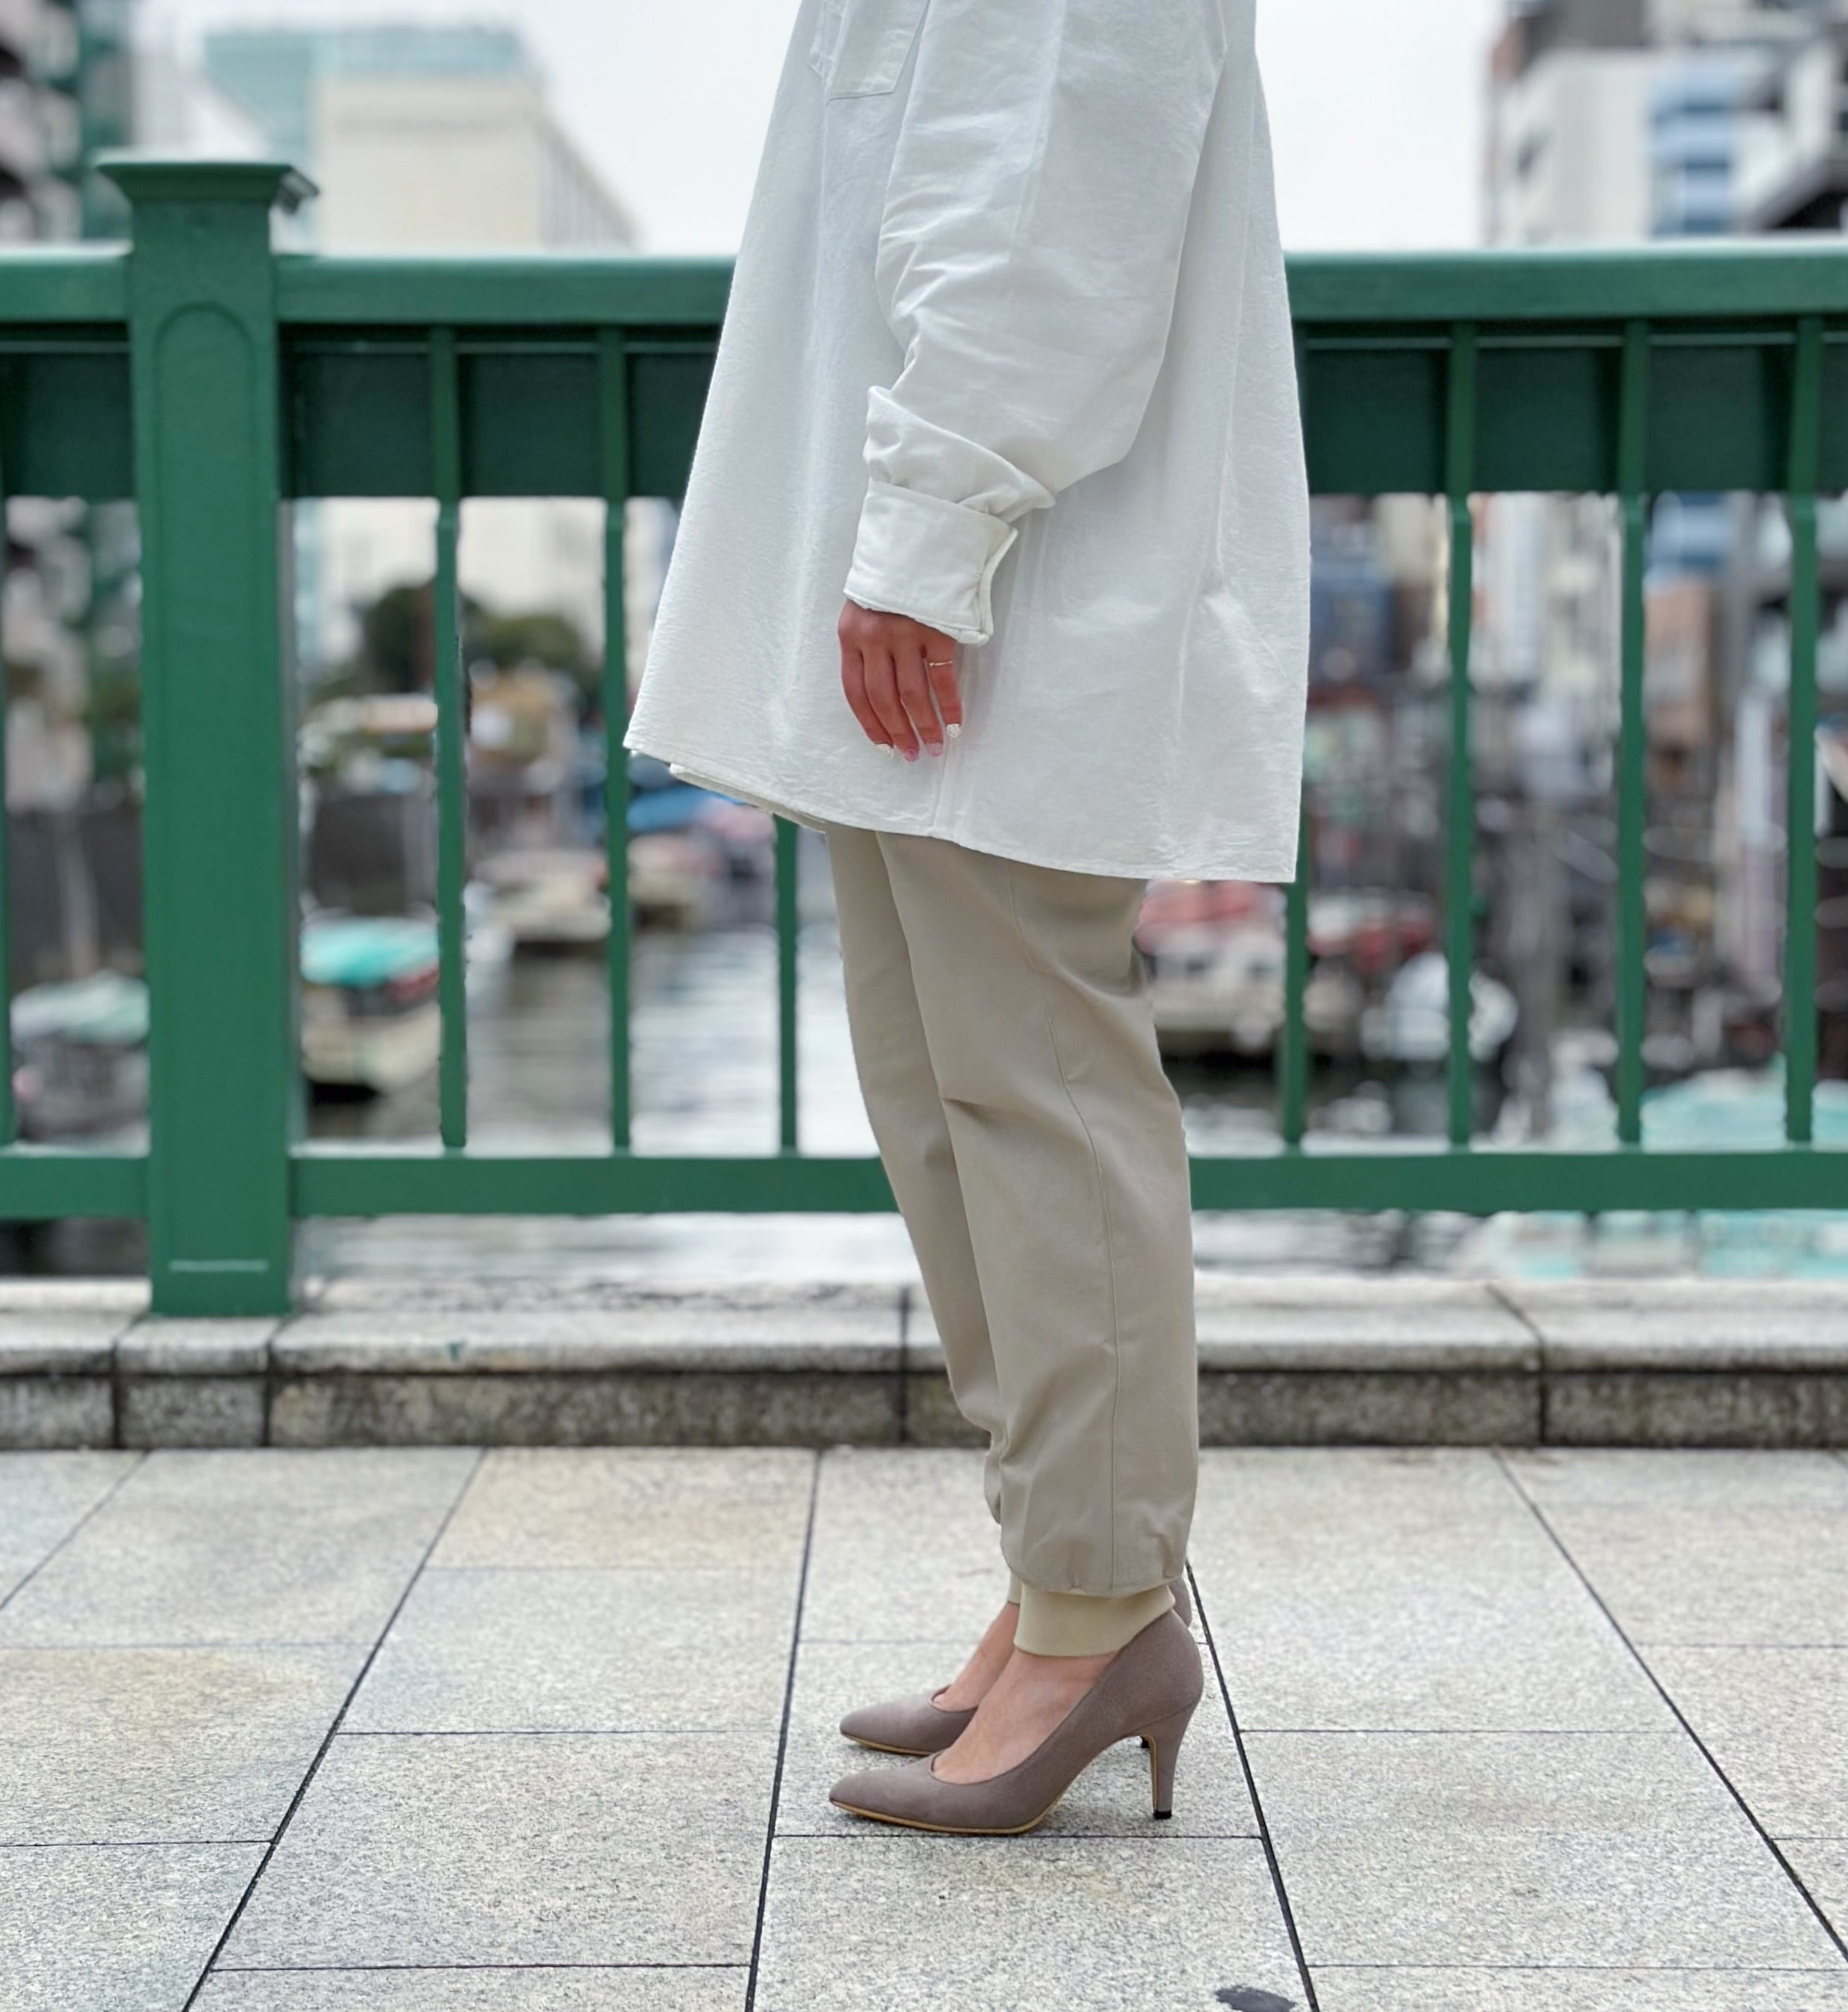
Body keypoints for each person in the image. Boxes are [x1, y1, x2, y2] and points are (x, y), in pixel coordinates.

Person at [627, 0, 1309, 1835]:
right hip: (943, 559)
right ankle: (1054, 1582)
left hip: (1003, 571)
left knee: (1029, 1089)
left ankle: (1100, 1609)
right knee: (945, 1088)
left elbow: (1050, 197)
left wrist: (932, 530)